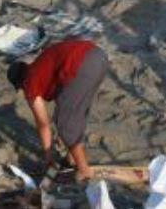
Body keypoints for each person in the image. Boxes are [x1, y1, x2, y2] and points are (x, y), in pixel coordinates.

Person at [7, 38, 109, 182]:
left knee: (65, 123)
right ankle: (71, 158)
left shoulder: (29, 82)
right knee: (78, 113)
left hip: (80, 64)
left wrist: (48, 156)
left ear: (20, 82)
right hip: (99, 56)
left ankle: (83, 170)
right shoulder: (41, 66)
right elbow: (65, 96)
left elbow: (43, 124)